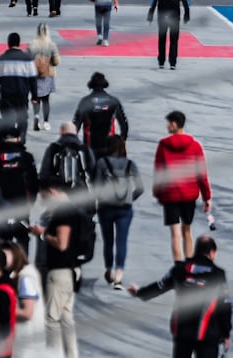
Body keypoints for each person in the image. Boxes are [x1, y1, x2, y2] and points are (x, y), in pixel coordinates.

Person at [128, 235, 232, 358]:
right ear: (212, 253)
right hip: (207, 333)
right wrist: (226, 333)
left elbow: (160, 286)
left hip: (182, 330)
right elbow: (225, 305)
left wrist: (140, 292)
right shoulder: (218, 274)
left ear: (195, 250)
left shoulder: (179, 269)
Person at [28, 176, 81, 358]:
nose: (41, 200)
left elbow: (62, 243)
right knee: (66, 318)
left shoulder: (62, 212)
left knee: (51, 320)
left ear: (50, 192)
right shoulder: (73, 210)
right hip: (71, 270)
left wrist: (43, 234)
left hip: (59, 271)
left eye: (42, 195)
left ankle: (54, 355)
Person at [152, 111, 213, 262]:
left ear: (174, 124)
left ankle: (178, 267)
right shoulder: (195, 146)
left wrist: (158, 194)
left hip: (170, 194)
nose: (167, 126)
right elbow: (202, 174)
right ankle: (189, 264)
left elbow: (159, 172)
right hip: (189, 195)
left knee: (175, 234)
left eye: (168, 123)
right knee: (187, 231)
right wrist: (206, 197)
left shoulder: (163, 146)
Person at [94, 135, 145, 290]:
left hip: (106, 207)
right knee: (121, 241)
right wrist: (129, 198)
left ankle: (109, 269)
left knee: (108, 241)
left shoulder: (102, 163)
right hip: (125, 208)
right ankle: (118, 276)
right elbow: (140, 188)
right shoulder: (130, 164)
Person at [0, 31, 38, 143]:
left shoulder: (0, 60)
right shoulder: (27, 60)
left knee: (8, 122)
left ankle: (9, 140)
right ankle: (21, 140)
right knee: (22, 120)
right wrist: (35, 97)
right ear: (19, 43)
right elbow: (33, 80)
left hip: (6, 97)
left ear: (8, 43)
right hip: (22, 97)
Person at [72, 71, 130, 159]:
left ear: (91, 85)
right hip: (109, 146)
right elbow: (123, 124)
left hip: (90, 145)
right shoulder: (113, 101)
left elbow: (76, 125)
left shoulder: (85, 102)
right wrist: (122, 139)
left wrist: (73, 142)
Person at [4, 241, 46, 358]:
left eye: (5, 255)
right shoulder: (23, 274)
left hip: (27, 338)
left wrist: (3, 311)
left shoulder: (25, 277)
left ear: (15, 255)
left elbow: (27, 313)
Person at [146, 0, 191, 70]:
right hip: (174, 16)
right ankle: (173, 63)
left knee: (162, 39)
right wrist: (187, 15)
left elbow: (153, 2)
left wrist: (150, 15)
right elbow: (186, 2)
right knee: (174, 39)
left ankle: (161, 62)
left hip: (162, 16)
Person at [42, 122, 97, 198]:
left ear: (61, 132)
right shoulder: (85, 149)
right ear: (75, 132)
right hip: (81, 193)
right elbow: (93, 172)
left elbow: (44, 174)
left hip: (59, 194)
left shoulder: (53, 148)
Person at [28, 23, 61, 132]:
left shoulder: (32, 45)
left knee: (36, 98)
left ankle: (36, 116)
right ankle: (46, 122)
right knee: (46, 100)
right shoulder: (51, 45)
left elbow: (26, 59)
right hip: (47, 74)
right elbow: (56, 62)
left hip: (34, 75)